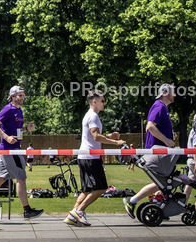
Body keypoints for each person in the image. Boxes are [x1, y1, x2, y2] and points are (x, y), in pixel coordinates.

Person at [0, 86, 43, 221]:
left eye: (23, 95)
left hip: (13, 148)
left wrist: (26, 129)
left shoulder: (19, 111)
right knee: (21, 178)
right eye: (19, 95)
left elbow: (17, 132)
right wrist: (6, 137)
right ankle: (27, 210)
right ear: (12, 96)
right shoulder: (8, 109)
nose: (22, 98)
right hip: (9, 150)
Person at [66, 90, 126, 227]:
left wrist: (110, 136)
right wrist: (116, 143)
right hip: (91, 157)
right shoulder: (93, 116)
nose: (104, 103)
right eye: (102, 101)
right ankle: (78, 212)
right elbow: (96, 136)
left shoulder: (90, 116)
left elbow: (95, 136)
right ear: (95, 101)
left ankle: (71, 216)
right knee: (101, 188)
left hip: (85, 156)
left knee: (87, 190)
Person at [124, 84, 179, 219]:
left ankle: (155, 206)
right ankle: (138, 202)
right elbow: (150, 127)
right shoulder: (159, 106)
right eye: (173, 92)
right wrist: (167, 140)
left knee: (164, 183)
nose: (175, 95)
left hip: (159, 152)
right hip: (157, 152)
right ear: (165, 93)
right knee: (166, 182)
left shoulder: (162, 107)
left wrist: (170, 136)